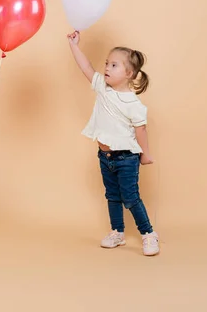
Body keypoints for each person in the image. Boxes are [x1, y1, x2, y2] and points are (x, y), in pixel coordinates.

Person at [67, 31, 159, 256]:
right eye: (107, 63)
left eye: (114, 65)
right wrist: (74, 45)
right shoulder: (102, 88)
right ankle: (117, 232)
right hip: (105, 157)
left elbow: (141, 130)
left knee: (130, 197)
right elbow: (86, 68)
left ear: (129, 73)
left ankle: (148, 233)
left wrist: (145, 154)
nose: (106, 68)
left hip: (126, 158)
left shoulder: (133, 104)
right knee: (112, 196)